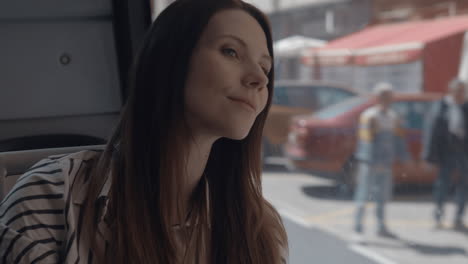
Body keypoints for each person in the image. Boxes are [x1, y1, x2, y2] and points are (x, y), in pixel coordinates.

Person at [0, 0, 288, 263]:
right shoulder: (49, 198)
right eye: (231, 51)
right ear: (168, 59)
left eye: (265, 66)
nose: (260, 78)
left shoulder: (259, 228)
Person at [353, 83, 410, 239]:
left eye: (389, 96)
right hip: (370, 162)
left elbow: (399, 139)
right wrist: (372, 160)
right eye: (384, 96)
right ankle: (358, 228)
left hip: (386, 163)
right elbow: (365, 141)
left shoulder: (393, 116)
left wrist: (404, 157)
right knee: (363, 194)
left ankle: (381, 226)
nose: (388, 99)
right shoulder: (369, 116)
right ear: (377, 98)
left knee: (383, 196)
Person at [422, 78, 468, 230]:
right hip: (446, 152)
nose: (461, 94)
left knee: (464, 185)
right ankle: (438, 216)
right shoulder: (442, 106)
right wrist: (429, 156)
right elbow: (432, 132)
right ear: (452, 91)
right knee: (443, 185)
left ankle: (458, 217)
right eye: (459, 91)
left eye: (463, 91)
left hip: (463, 151)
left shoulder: (465, 107)